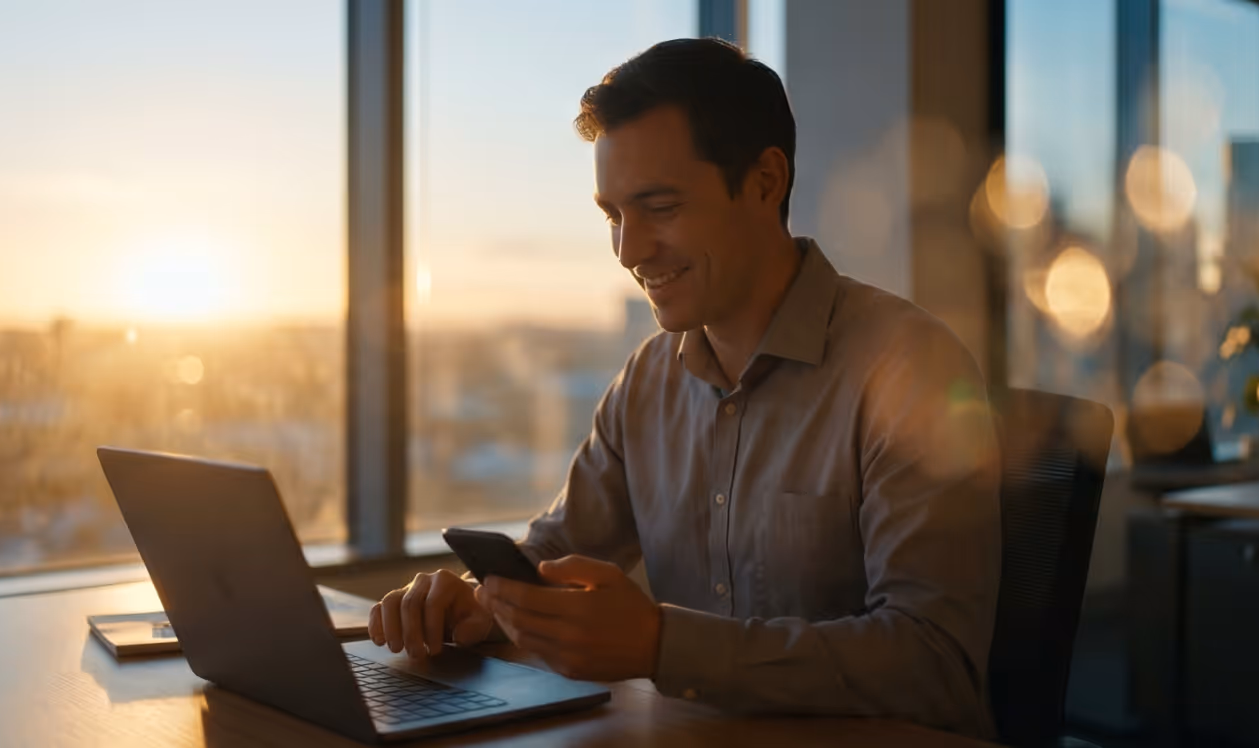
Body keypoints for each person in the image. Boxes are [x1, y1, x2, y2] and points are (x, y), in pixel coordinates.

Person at [367, 37, 1002, 739]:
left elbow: (936, 664)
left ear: (765, 183)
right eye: (613, 215)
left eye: (659, 208)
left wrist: (661, 647)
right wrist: (476, 602)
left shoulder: (909, 369)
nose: (628, 252)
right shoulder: (647, 380)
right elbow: (547, 560)